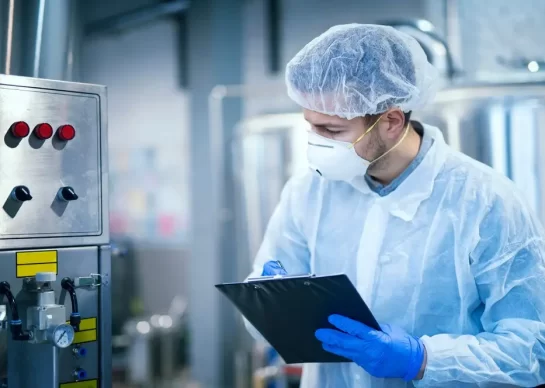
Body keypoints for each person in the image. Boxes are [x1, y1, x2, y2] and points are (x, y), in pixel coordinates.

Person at [244, 24, 545, 387]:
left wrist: (421, 360)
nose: (315, 143)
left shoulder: (485, 201)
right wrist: (268, 302)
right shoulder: (308, 193)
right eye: (311, 126)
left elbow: (531, 351)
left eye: (332, 131)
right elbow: (262, 316)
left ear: (390, 120)